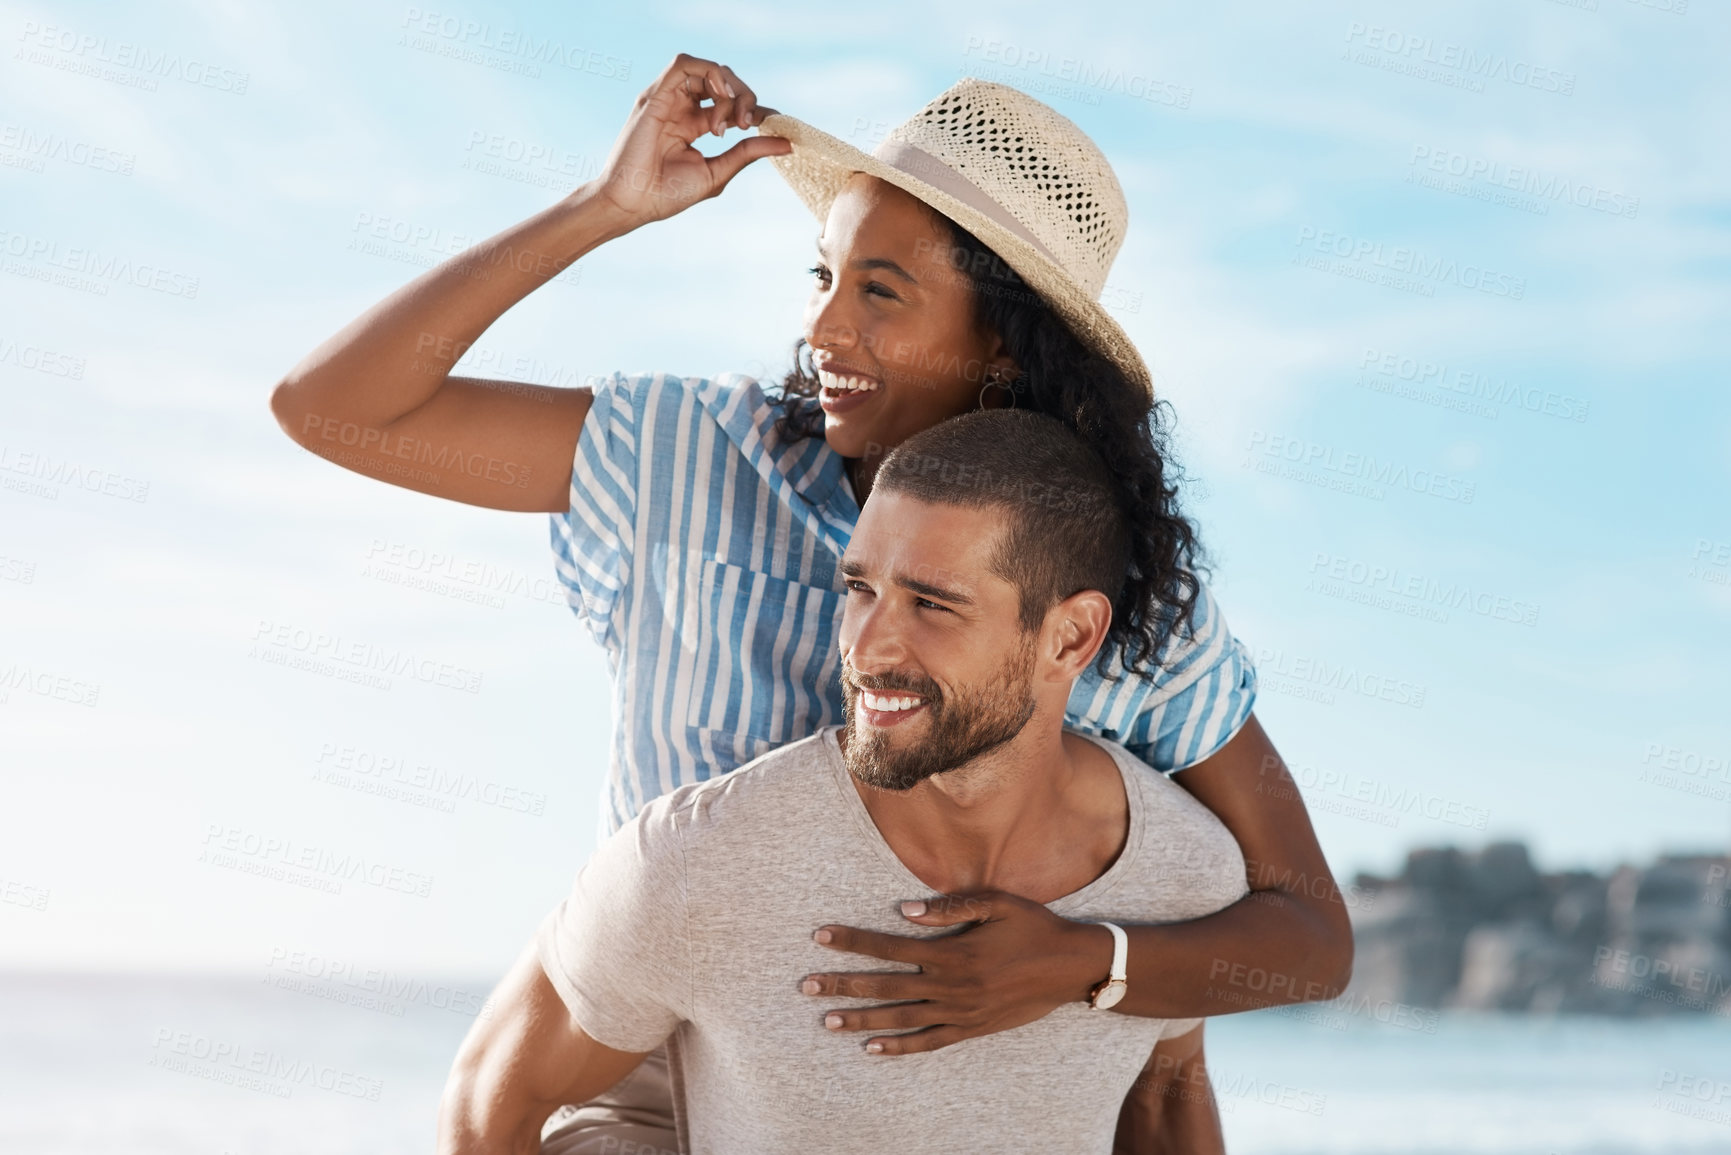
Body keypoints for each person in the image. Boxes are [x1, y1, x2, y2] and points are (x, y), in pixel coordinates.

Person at [269, 55, 1351, 1151]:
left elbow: (1305, 930)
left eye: (880, 292)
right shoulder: (683, 461)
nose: (824, 330)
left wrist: (1088, 964)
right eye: (822, 277)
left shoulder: (1109, 599)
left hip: (953, 1082)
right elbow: (333, 408)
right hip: (654, 1073)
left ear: (1007, 352)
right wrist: (600, 211)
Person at [438, 410, 1244, 1154]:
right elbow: (491, 1099)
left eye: (931, 603)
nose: (868, 645)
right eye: (859, 589)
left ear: (1068, 637)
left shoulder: (1182, 868)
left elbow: (1166, 1101)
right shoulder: (701, 857)